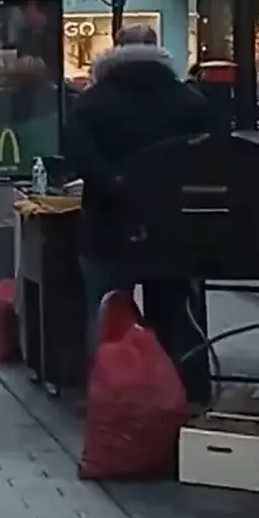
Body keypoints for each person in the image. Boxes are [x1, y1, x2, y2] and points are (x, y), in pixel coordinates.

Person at [60, 24, 215, 402]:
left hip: (108, 223)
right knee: (178, 313)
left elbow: (79, 156)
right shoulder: (191, 101)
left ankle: (111, 394)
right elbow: (211, 158)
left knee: (108, 310)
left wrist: (115, 185)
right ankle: (184, 390)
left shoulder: (92, 102)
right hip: (174, 227)